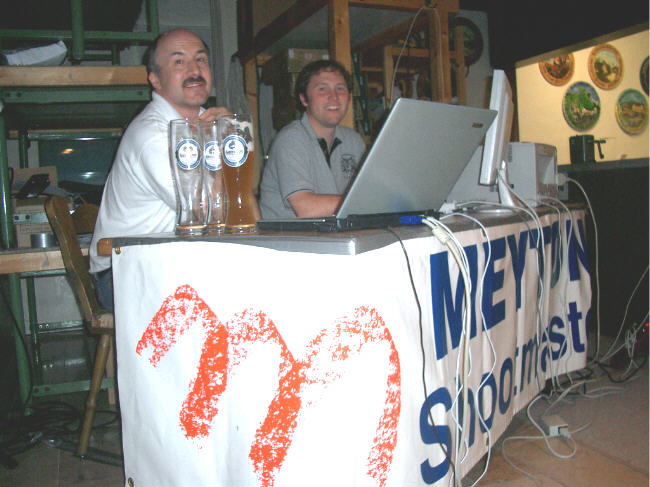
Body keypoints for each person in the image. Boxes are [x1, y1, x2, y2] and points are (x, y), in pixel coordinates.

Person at [89, 28, 231, 310]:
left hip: (172, 259)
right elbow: (209, 212)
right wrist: (226, 138)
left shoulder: (209, 123)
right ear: (155, 79)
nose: (194, 70)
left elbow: (239, 203)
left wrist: (231, 133)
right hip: (125, 272)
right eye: (179, 62)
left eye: (201, 60)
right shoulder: (153, 134)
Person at [259, 59, 366, 219]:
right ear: (304, 99)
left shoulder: (353, 141)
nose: (334, 96)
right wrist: (365, 202)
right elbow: (305, 208)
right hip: (290, 234)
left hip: (335, 232)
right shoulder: (290, 139)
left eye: (340, 88)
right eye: (322, 89)